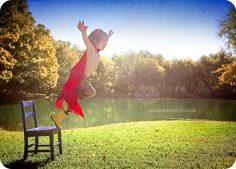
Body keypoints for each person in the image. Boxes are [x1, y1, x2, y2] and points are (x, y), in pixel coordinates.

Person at [51, 21, 113, 129]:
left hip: (82, 78)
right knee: (91, 92)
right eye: (104, 41)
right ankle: (67, 101)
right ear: (95, 40)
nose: (106, 43)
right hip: (79, 77)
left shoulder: (97, 51)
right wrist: (83, 32)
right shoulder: (91, 49)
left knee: (79, 98)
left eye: (106, 42)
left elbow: (101, 42)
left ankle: (57, 117)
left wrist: (108, 36)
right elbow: (87, 41)